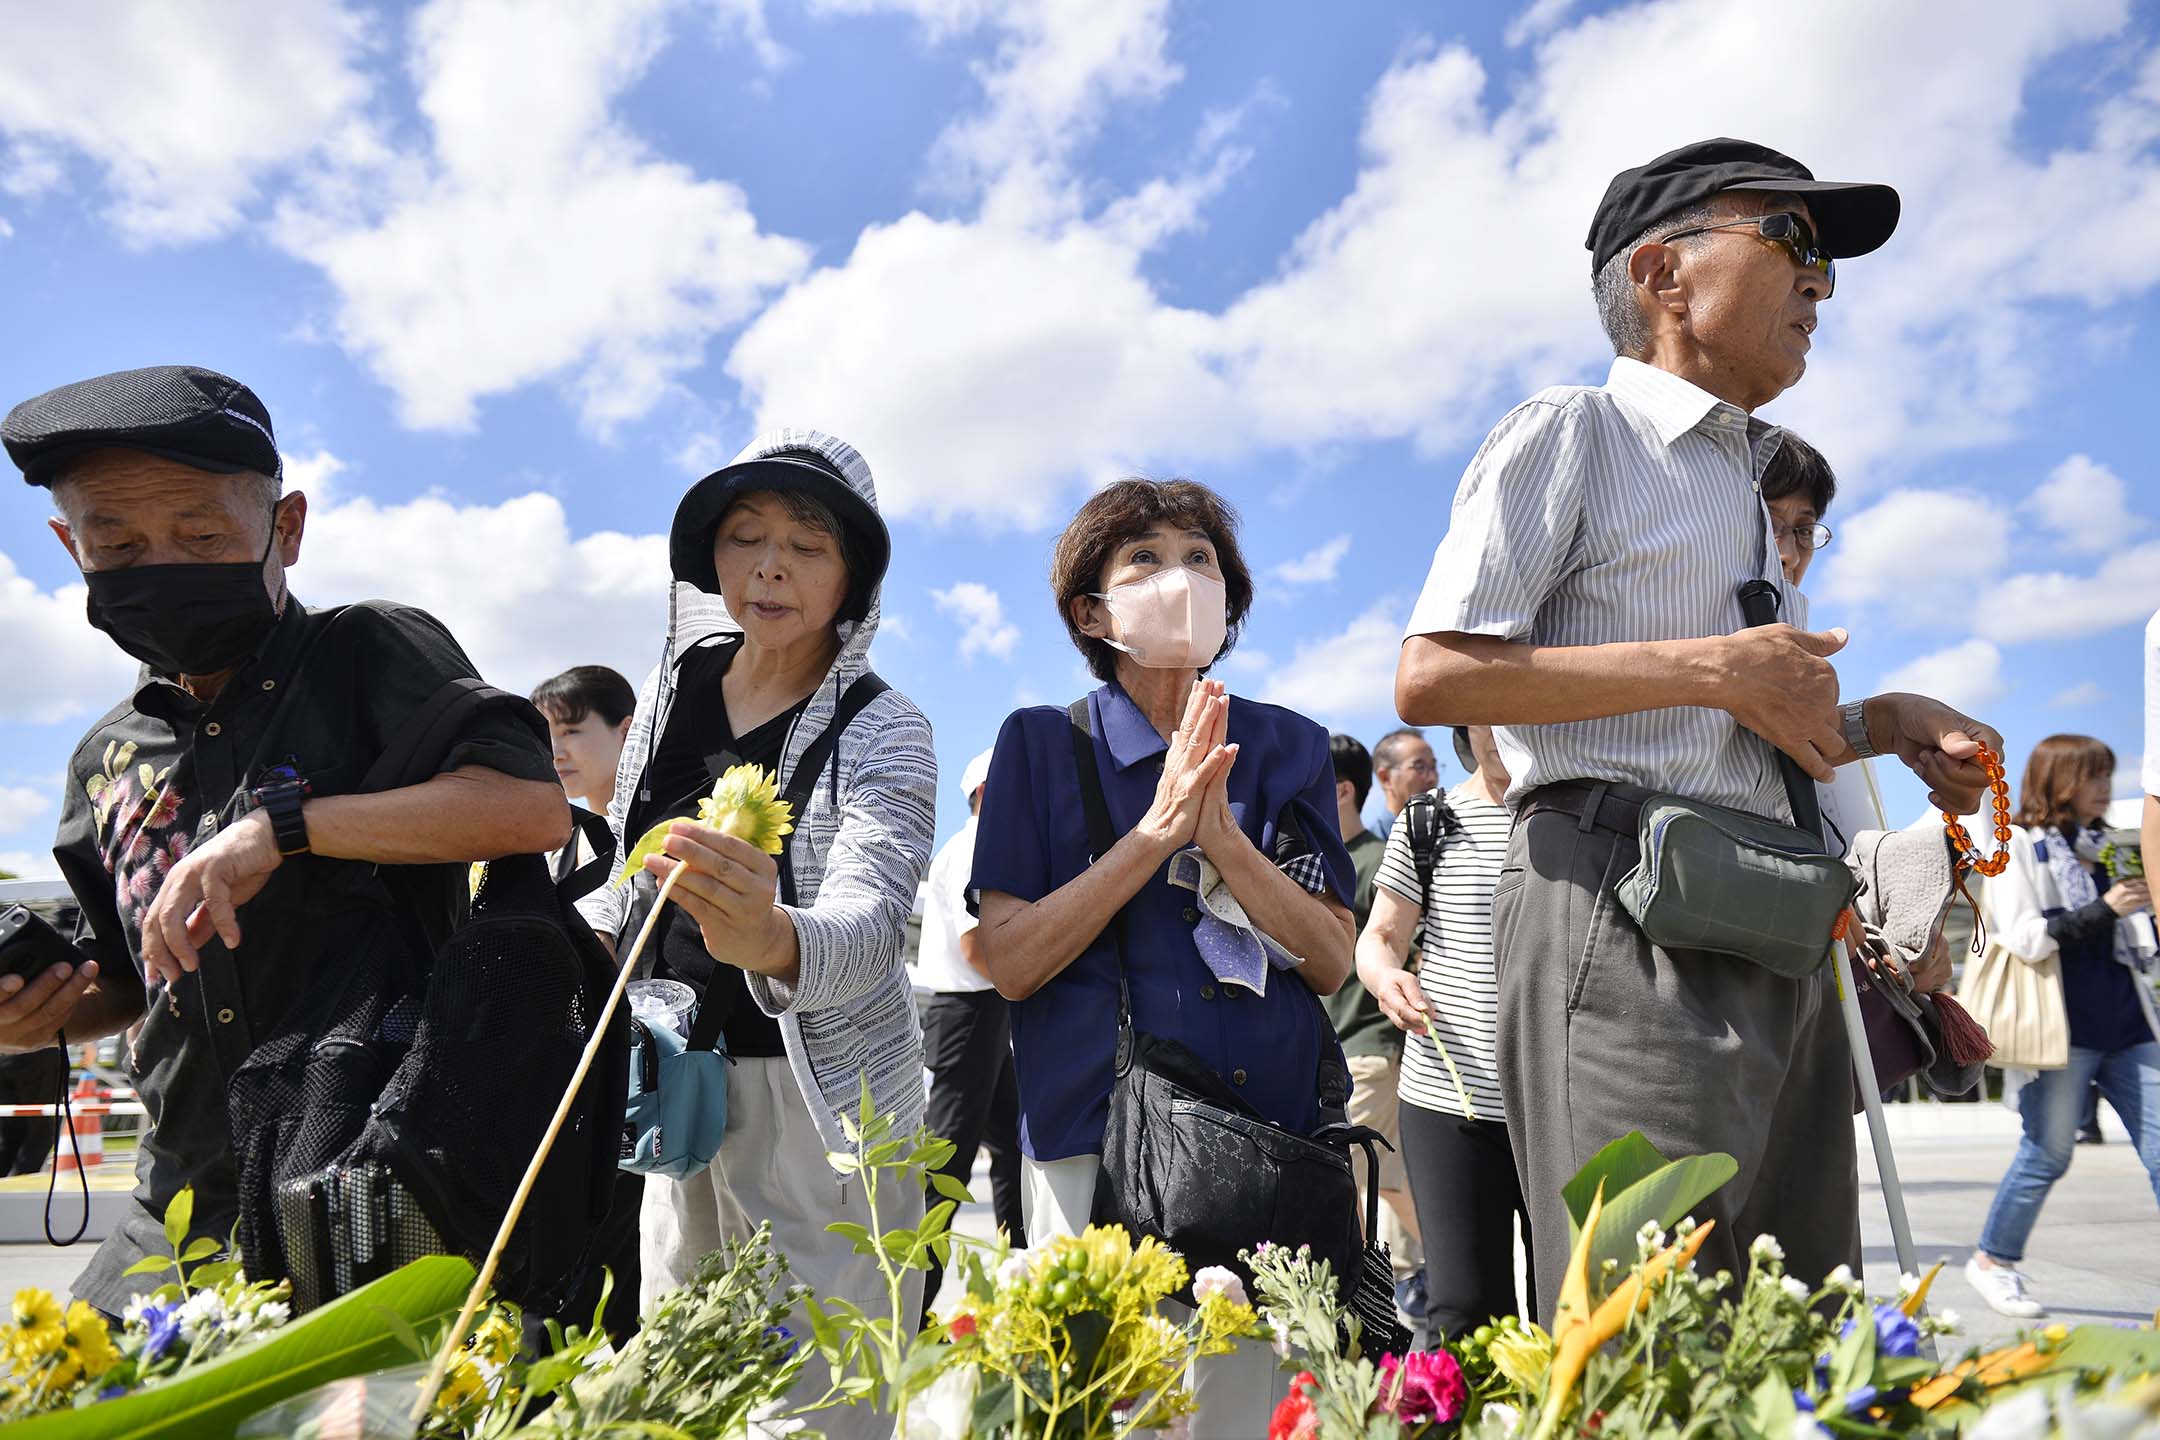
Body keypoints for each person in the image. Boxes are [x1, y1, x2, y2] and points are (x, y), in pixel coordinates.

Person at [1394, 139, 2005, 1316]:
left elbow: (1739, 722)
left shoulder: (1741, 480)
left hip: (1775, 932)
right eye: (1792, 242)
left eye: (1823, 259)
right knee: (1645, 1335)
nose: (1821, 284)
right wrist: (1717, 667)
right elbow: (1434, 675)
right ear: (1665, 277)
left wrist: (1887, 724)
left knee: (1793, 1323)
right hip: (1624, 924)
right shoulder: (1571, 430)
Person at [0, 365, 568, 1316]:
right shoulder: (104, 758)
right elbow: (128, 979)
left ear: (287, 527)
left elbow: (525, 807)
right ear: (69, 545)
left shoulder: (368, 652)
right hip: (173, 1213)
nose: (163, 564)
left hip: (368, 1187)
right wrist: (32, 1017)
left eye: (201, 534)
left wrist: (283, 831)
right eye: (118, 541)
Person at [973, 477, 1356, 1436]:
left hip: (1268, 1143)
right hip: (1094, 1138)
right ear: (1091, 613)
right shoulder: (1040, 745)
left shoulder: (1288, 746)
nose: (1179, 578)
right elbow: (1010, 959)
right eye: (1143, 559)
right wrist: (1153, 836)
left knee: (1255, 1406)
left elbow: (1328, 957)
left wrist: (1225, 842)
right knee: (1108, 1405)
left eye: (1200, 558)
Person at [575, 429, 934, 1440]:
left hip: (823, 1107)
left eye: (809, 545)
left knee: (822, 1395)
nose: (771, 564)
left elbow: (872, 923)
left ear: (854, 577)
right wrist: (574, 943)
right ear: (711, 559)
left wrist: (772, 936)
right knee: (680, 1362)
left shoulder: (887, 725)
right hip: (677, 1082)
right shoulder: (673, 695)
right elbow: (624, 877)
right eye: (746, 537)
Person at [1966, 735, 2158, 1318]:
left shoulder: (2106, 847)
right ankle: (1993, 1262)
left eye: (2108, 774)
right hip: (2061, 1031)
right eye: (2093, 775)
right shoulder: (2018, 844)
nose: (2105, 786)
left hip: (2128, 1023)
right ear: (2058, 780)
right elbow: (2023, 935)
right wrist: (2108, 908)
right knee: (2047, 1155)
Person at [1357, 723, 1529, 1339]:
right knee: (1463, 1312)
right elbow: (1380, 936)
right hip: (1446, 1103)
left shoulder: (1585, 813)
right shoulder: (1430, 820)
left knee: (1576, 1309)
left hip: (1562, 1107)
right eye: (1483, 713)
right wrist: (1385, 978)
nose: (1501, 730)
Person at [529, 663, 644, 1342]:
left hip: (620, 1099)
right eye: (546, 736)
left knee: (604, 1289)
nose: (557, 752)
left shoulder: (649, 834)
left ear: (626, 730)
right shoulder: (558, 837)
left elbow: (590, 950)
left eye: (572, 731)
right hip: (563, 1087)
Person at [913, 746, 1024, 1329]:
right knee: (946, 1167)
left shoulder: (968, 845)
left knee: (1009, 1147)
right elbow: (975, 946)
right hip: (970, 1012)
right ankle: (911, 1306)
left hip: (980, 1013)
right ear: (985, 793)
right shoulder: (978, 847)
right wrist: (1025, 984)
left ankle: (1021, 1278)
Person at [1324, 733, 1422, 1302]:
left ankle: (1356, 1298)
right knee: (1384, 1180)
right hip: (1336, 1050)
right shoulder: (1320, 864)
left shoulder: (1374, 862)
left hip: (1366, 1046)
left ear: (1341, 790)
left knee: (1343, 1179)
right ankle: (1424, 1275)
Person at [1370, 728, 1438, 842]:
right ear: (1385, 778)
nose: (1432, 778)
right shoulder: (1371, 850)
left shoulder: (1448, 838)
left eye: (1433, 767)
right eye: (1419, 767)